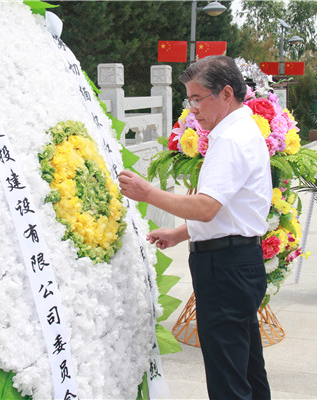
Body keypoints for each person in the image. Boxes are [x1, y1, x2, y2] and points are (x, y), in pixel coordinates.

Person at [118, 55, 271, 399]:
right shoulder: (244, 129)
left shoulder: (230, 139)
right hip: (239, 261)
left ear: (226, 93)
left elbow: (206, 207)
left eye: (198, 99)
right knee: (246, 368)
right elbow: (230, 208)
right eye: (190, 101)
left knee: (228, 380)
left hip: (225, 268)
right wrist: (179, 233)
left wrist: (148, 193)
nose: (193, 111)